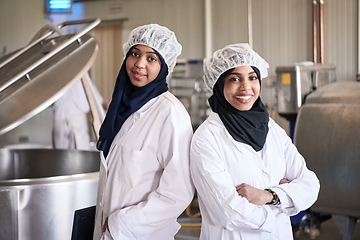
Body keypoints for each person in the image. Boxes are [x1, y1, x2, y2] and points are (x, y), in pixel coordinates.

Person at [189, 43, 320, 240]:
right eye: (234, 79)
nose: (246, 87)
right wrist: (285, 201)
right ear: (219, 84)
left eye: (252, 77)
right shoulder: (207, 138)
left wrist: (269, 196)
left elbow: (310, 185)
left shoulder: (272, 129)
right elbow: (228, 212)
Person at [93, 24, 194, 240]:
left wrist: (119, 222)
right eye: (135, 54)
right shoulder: (122, 108)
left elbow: (178, 192)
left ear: (164, 66)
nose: (139, 64)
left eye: (151, 58)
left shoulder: (170, 113)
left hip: (139, 232)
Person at [52, 77, 105, 150]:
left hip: (77, 120)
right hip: (60, 119)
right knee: (60, 155)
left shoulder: (82, 75)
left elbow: (97, 100)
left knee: (80, 153)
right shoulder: (56, 77)